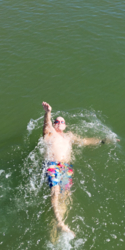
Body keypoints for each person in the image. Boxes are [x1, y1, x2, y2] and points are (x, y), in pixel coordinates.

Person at [42, 101, 119, 237]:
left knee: (66, 196)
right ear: (54, 124)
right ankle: (59, 221)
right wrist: (48, 113)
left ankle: (59, 224)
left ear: (65, 126)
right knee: (55, 189)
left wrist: (104, 140)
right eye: (56, 121)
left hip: (66, 167)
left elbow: (86, 141)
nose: (59, 122)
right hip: (53, 164)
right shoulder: (50, 134)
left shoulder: (69, 136)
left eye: (62, 121)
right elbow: (46, 124)